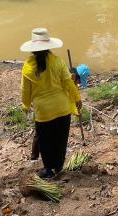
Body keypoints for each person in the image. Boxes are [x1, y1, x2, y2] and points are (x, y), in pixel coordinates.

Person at [20, 28, 81, 178]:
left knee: (46, 141)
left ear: (33, 49)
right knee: (61, 139)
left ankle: (48, 170)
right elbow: (69, 84)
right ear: (48, 46)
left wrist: (25, 106)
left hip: (43, 111)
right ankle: (58, 167)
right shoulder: (58, 62)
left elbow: (25, 91)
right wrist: (77, 99)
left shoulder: (28, 67)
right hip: (62, 107)